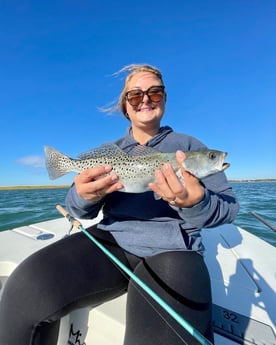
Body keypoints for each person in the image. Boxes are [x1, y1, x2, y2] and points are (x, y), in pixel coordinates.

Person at [0, 64, 239, 345]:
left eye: (155, 92)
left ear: (165, 98)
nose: (146, 100)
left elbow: (229, 209)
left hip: (174, 251)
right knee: (23, 287)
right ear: (126, 106)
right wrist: (85, 196)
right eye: (135, 95)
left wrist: (196, 202)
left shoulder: (188, 146)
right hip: (110, 240)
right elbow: (77, 210)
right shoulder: (111, 151)